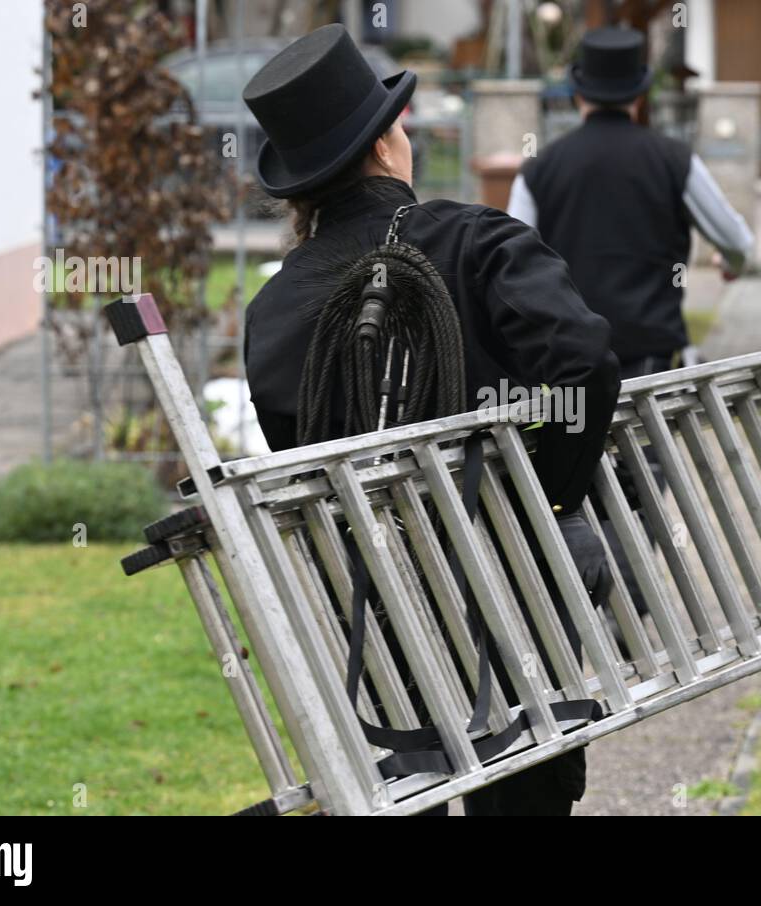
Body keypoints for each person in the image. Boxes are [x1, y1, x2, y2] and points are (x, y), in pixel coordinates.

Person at [240, 24, 619, 816]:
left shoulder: (271, 311)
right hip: (513, 591)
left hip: (377, 608)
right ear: (386, 146)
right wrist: (546, 502)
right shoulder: (474, 240)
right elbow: (582, 363)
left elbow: (301, 465)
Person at [507, 25, 755, 381]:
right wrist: (733, 264)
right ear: (639, 96)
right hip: (651, 356)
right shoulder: (674, 160)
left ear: (578, 94)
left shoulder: (538, 169)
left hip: (567, 358)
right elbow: (737, 242)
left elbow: (516, 265)